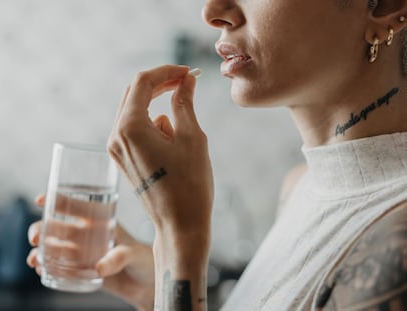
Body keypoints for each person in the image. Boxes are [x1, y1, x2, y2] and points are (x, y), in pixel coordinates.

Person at [26, 0, 407, 310]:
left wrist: (179, 240)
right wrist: (158, 281)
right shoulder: (300, 187)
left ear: (385, 7)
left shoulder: (398, 244)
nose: (213, 11)